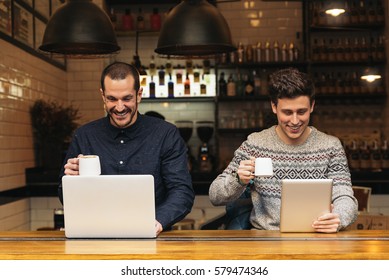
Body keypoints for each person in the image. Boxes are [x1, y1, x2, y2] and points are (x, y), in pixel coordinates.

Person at [209, 68, 358, 233]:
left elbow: (345, 197)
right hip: (264, 240)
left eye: (301, 112)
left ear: (312, 106)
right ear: (274, 107)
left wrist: (338, 218)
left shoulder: (331, 146)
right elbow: (215, 196)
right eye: (287, 112)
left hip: (318, 238)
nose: (295, 121)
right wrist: (238, 179)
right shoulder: (255, 144)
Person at [58, 61, 195, 236]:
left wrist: (158, 222)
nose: (120, 107)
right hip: (96, 235)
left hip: (155, 236)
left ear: (139, 95)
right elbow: (65, 196)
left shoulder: (166, 134)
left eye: (127, 98)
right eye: (112, 99)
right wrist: (70, 182)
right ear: (102, 96)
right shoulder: (84, 136)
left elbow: (181, 191)